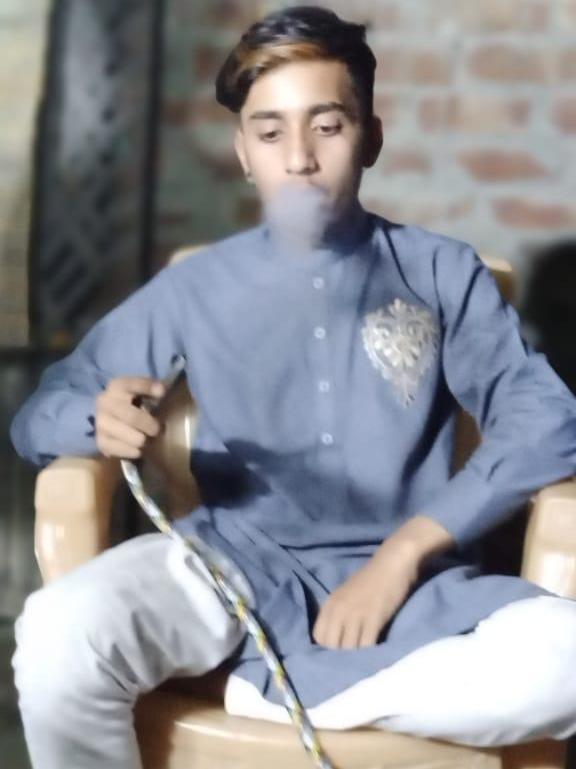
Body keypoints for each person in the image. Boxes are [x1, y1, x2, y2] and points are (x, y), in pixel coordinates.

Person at [10, 6, 576, 768]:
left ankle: (273, 690)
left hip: (416, 594)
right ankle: (301, 685)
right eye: (271, 133)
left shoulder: (442, 272)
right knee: (58, 633)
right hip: (229, 569)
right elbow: (38, 413)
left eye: (328, 126)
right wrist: (94, 415)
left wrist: (403, 553)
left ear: (371, 137)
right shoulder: (195, 287)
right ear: (243, 151)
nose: (300, 158)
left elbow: (549, 421)